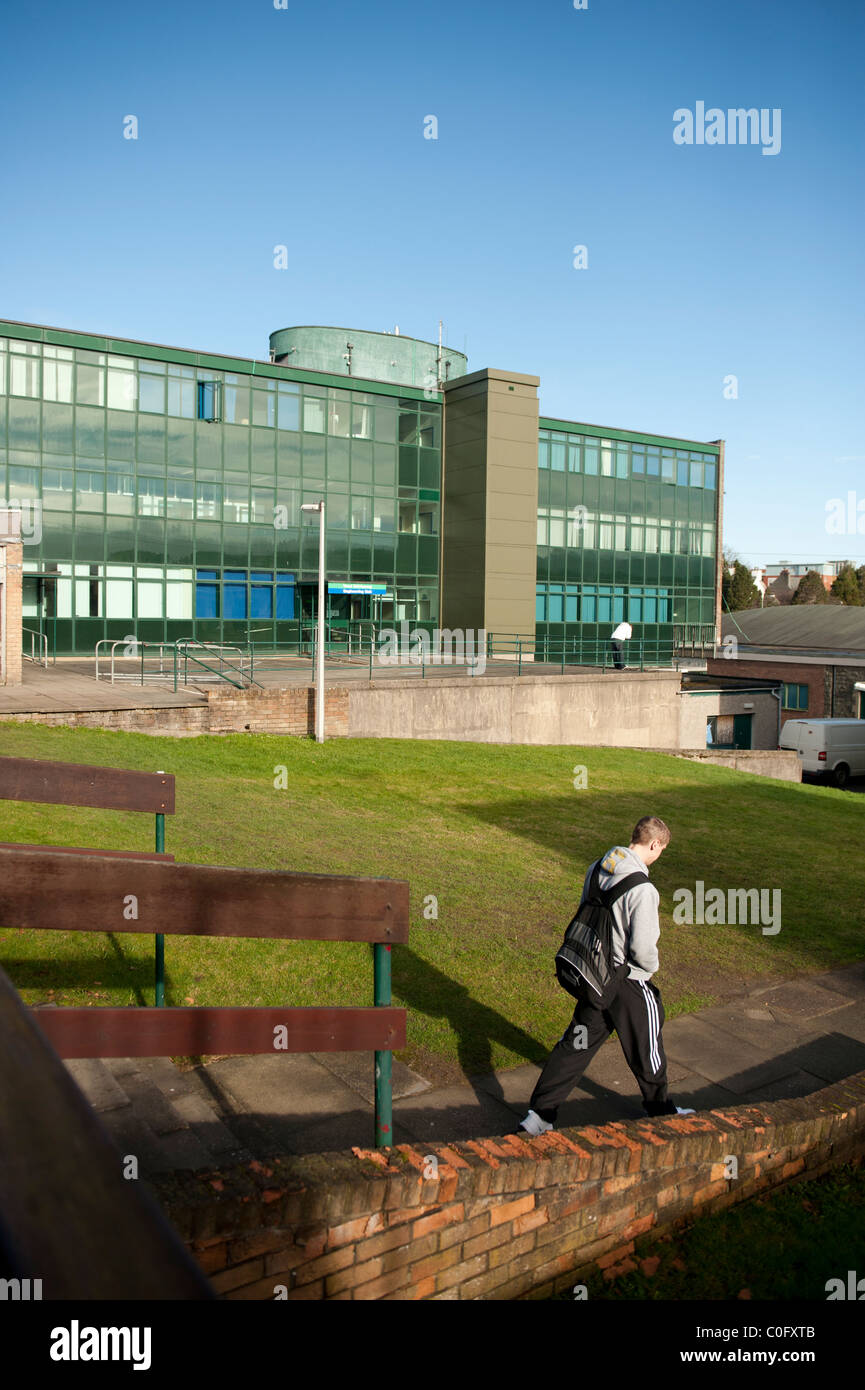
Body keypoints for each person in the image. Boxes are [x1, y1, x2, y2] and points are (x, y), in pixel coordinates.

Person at [516, 816, 695, 1135]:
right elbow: (642, 947)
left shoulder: (598, 866)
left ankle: (540, 1115)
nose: (660, 855)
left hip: (594, 975)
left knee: (575, 1043)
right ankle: (661, 1110)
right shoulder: (643, 889)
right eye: (662, 849)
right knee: (647, 1044)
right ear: (654, 844)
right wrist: (648, 972)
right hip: (626, 979)